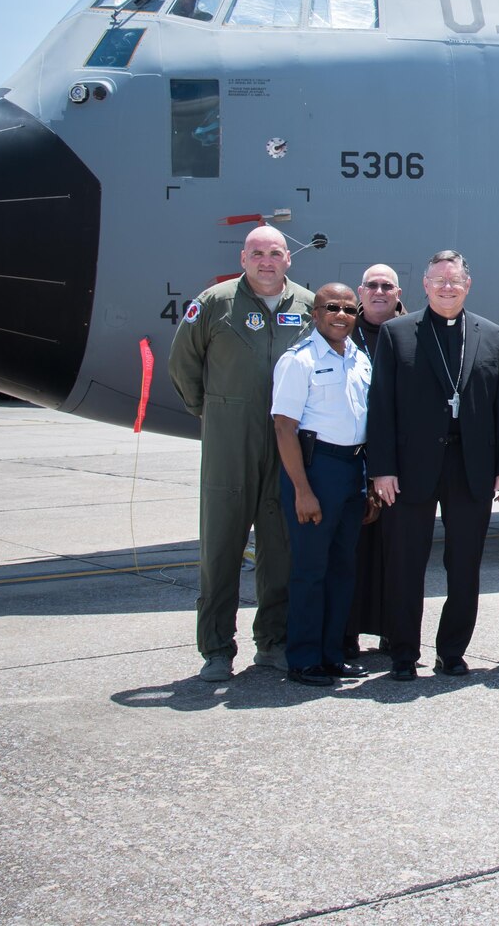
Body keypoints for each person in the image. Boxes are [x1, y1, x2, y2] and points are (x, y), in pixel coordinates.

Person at [169, 225, 313, 682]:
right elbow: (183, 363)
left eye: (275, 252)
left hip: (287, 442)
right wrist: (212, 411)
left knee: (280, 547)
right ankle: (215, 648)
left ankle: (272, 642)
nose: (266, 261)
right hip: (230, 441)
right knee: (220, 546)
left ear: (288, 258)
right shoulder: (215, 303)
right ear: (243, 258)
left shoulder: (308, 306)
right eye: (257, 253)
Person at [366, 251, 499, 681]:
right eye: (439, 281)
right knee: (405, 563)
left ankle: (452, 651)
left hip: (470, 466)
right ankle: (402, 653)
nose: (447, 287)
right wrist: (381, 468)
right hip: (409, 467)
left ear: (468, 285)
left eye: (455, 281)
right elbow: (380, 407)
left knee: (465, 563)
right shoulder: (397, 334)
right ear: (425, 285)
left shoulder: (490, 335)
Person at [270, 283, 371, 686]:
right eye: (332, 307)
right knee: (310, 570)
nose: (341, 315)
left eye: (349, 308)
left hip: (352, 469)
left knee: (342, 569)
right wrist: (302, 489)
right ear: (315, 313)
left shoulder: (359, 359)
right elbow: (283, 427)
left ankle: (331, 654)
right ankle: (304, 658)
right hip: (315, 469)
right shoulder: (299, 361)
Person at [343, 264, 403, 662]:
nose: (379, 292)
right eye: (372, 286)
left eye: (387, 286)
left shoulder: (413, 332)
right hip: (351, 456)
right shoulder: (341, 334)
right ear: (360, 292)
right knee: (351, 550)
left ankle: (392, 633)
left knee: (395, 551)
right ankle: (345, 636)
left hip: (399, 459)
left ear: (398, 293)